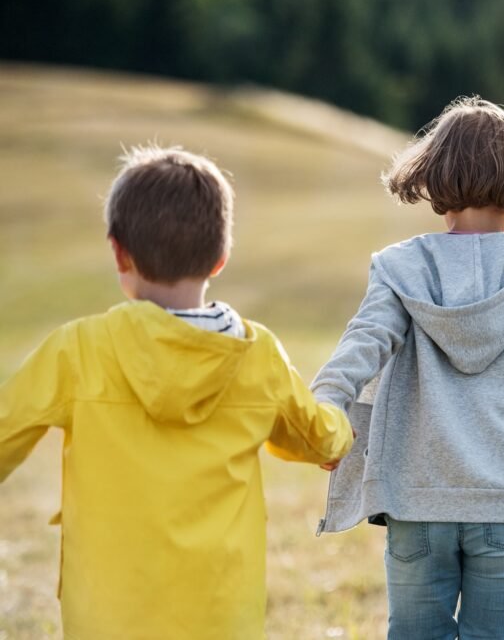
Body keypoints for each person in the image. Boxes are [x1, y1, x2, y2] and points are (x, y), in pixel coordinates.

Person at [0, 145, 354, 640]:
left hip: (105, 618)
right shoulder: (257, 354)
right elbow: (318, 438)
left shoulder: (77, 350)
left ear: (118, 251)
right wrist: (340, 428)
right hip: (221, 614)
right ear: (220, 258)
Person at [311, 96, 504, 640]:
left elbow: (365, 341)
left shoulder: (401, 267)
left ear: (434, 177)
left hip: (415, 498)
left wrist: (325, 403)